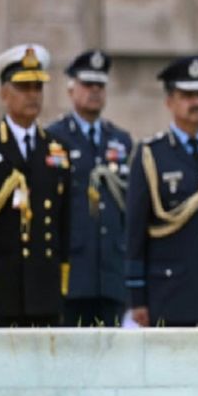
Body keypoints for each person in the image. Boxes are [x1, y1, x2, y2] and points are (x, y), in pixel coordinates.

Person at [125, 55, 198, 327]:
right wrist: (137, 295)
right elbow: (135, 230)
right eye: (188, 95)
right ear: (169, 101)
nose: (197, 102)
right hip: (170, 293)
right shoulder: (151, 155)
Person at [47, 50, 133, 327]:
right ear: (72, 89)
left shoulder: (120, 140)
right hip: (71, 272)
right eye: (87, 85)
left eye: (100, 86)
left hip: (110, 272)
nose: (94, 92)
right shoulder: (54, 137)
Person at [0, 44, 71, 327]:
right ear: (4, 93)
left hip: (44, 287)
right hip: (1, 288)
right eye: (23, 87)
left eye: (37, 88)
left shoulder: (55, 149)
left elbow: (64, 221)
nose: (32, 95)